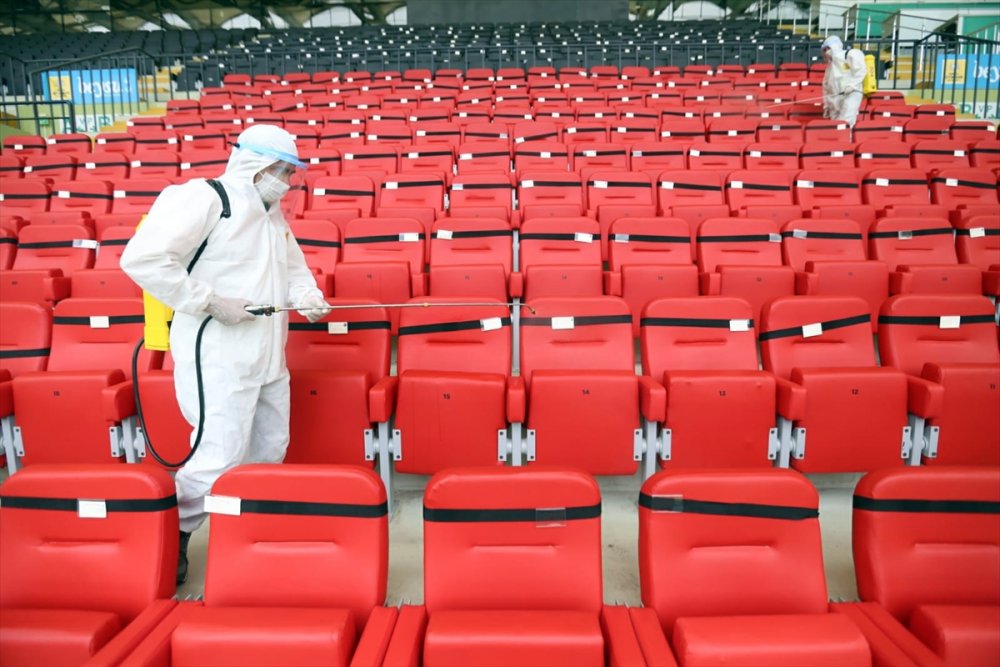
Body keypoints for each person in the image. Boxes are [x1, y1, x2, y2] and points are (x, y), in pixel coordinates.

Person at [120, 124, 329, 584]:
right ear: (255, 164)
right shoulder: (204, 198)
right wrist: (210, 300)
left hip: (269, 355)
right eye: (281, 171)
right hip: (217, 352)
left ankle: (247, 533)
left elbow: (294, 271)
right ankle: (174, 533)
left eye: (290, 173)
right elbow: (143, 259)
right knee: (219, 456)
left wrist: (307, 295)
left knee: (270, 448)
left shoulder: (272, 217)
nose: (286, 182)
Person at [821, 35, 867, 128]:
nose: (826, 52)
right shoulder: (829, 68)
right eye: (824, 50)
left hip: (851, 94)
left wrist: (852, 85)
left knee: (845, 123)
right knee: (836, 126)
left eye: (828, 48)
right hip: (835, 99)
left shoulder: (850, 54)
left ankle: (847, 137)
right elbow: (826, 87)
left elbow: (861, 70)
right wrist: (826, 105)